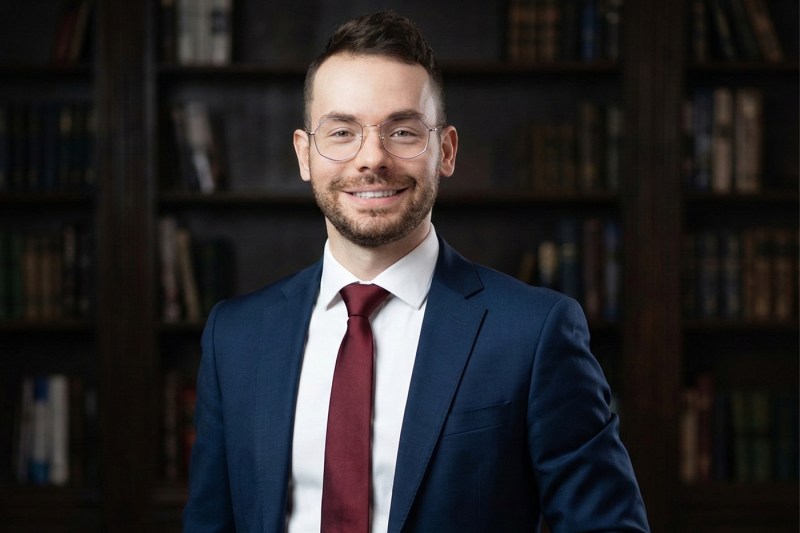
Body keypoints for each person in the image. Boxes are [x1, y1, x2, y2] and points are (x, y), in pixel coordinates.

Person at [183, 10, 650, 533]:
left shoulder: (534, 332)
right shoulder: (237, 336)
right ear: (305, 155)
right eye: (342, 132)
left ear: (445, 151)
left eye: (402, 131)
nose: (371, 159)